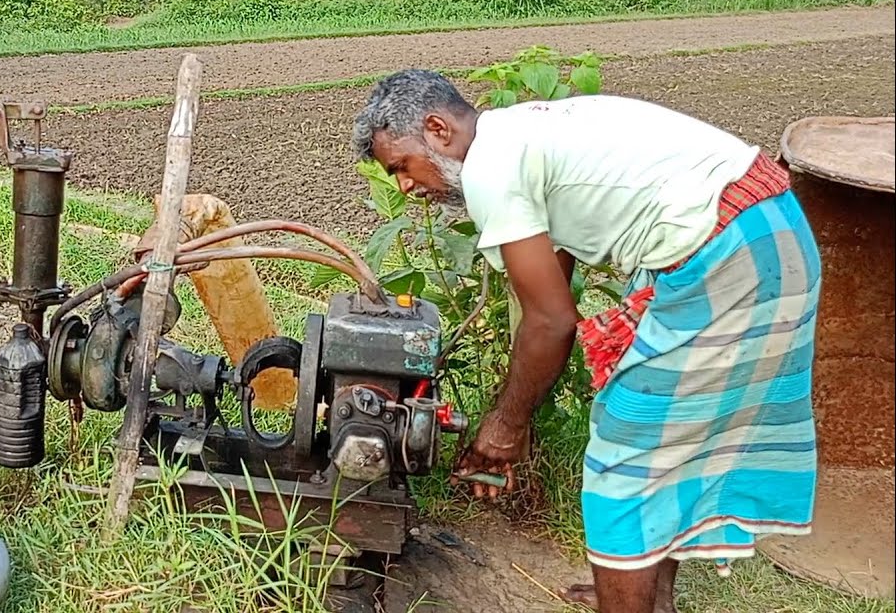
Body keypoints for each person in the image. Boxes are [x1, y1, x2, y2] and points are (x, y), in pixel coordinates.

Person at [350, 70, 820, 613]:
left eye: (401, 166)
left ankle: (628, 602)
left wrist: (506, 425)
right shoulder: (517, 133)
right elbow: (553, 280)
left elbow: (552, 321)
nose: (405, 186)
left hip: (731, 251)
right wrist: (514, 412)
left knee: (627, 451)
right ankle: (645, 595)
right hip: (764, 227)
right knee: (659, 442)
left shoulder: (490, 169)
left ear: (437, 129)